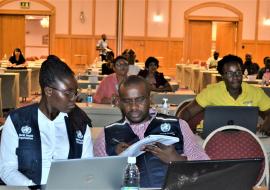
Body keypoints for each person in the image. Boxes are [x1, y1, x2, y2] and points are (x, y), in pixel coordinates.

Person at [94, 75, 209, 188]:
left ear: (150, 99)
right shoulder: (107, 135)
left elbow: (206, 169)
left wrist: (177, 160)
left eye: (140, 100)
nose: (134, 107)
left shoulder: (177, 125)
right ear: (119, 102)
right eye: (127, 101)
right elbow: (96, 179)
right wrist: (115, 161)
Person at [0, 55, 94, 186]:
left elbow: (87, 167)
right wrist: (33, 188)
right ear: (49, 91)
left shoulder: (79, 124)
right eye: (68, 93)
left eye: (75, 93)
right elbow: (7, 169)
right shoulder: (18, 121)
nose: (74, 99)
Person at [179, 54, 270, 134]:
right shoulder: (211, 92)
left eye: (238, 72)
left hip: (246, 138)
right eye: (230, 74)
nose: (235, 77)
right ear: (223, 77)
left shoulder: (255, 92)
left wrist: (266, 124)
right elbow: (187, 111)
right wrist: (178, 129)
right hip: (212, 138)